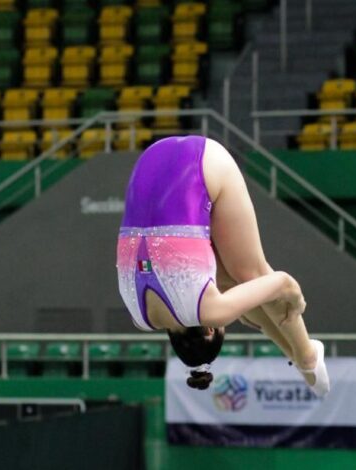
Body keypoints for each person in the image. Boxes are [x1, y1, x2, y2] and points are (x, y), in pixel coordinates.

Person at [116, 135, 329, 397]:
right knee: (231, 280)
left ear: (208, 331)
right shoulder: (140, 317)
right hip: (149, 160)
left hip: (201, 160)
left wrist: (295, 302)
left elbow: (282, 283)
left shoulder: (212, 312)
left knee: (252, 274)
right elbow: (217, 286)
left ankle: (306, 357)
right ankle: (296, 355)